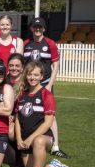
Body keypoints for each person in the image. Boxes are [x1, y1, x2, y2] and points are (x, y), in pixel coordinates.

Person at [15, 61, 72, 167]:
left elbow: (48, 123)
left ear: (41, 76)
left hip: (44, 138)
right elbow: (18, 119)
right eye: (30, 74)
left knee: (38, 141)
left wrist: (31, 138)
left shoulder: (47, 95)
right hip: (26, 140)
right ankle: (53, 166)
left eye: (36, 75)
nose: (32, 78)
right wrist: (19, 138)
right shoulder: (22, 94)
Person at [23, 17, 69, 159]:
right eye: (35, 27)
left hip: (45, 84)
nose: (37, 29)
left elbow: (56, 65)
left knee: (50, 114)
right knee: (28, 111)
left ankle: (55, 147)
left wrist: (49, 84)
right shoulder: (26, 44)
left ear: (44, 28)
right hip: (29, 84)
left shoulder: (50, 43)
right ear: (31, 28)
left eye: (40, 27)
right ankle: (26, 140)